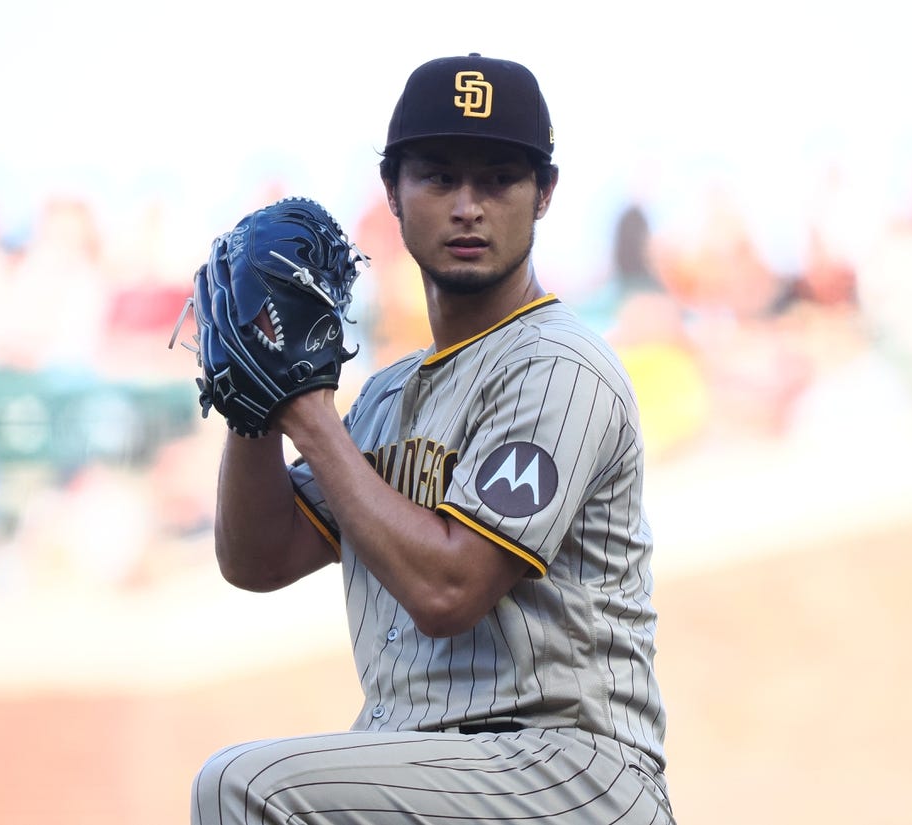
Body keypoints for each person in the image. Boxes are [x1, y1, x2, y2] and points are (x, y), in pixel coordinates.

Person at [191, 54, 673, 824]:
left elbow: (449, 588)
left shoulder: (558, 366)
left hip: (568, 769)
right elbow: (256, 558)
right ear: (394, 193)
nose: (469, 206)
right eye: (440, 177)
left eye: (498, 178)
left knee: (247, 786)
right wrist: (255, 405)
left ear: (544, 194)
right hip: (434, 769)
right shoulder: (387, 395)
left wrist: (308, 414)